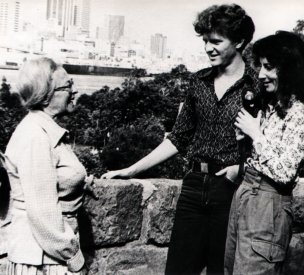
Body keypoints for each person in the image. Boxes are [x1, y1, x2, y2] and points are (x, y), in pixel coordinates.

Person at [101, 4, 258, 274]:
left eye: (216, 41)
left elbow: (267, 143)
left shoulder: (256, 86)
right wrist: (130, 170)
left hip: (233, 191)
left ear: (240, 41)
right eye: (205, 41)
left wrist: (241, 169)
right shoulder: (199, 82)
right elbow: (178, 139)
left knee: (223, 270)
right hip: (194, 187)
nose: (208, 48)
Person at [223, 31, 304, 275]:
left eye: (269, 67)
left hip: (268, 205)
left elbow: (285, 171)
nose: (261, 74)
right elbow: (265, 158)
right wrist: (246, 141)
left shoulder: (300, 114)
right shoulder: (274, 107)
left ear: (288, 69)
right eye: (260, 66)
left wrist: (256, 134)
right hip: (246, 194)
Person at [5, 57, 88, 275]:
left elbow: (53, 180)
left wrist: (79, 185)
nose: (75, 90)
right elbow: (42, 212)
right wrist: (74, 257)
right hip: (42, 259)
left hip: (47, 256)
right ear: (46, 95)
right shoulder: (36, 136)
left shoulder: (44, 130)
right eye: (69, 85)